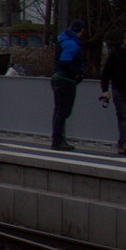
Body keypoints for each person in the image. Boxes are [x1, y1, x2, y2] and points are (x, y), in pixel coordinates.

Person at [50, 18, 86, 151]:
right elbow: (65, 61)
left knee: (58, 110)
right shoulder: (72, 44)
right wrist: (77, 73)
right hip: (66, 80)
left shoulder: (62, 40)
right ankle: (58, 140)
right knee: (63, 111)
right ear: (81, 31)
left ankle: (57, 139)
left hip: (57, 78)